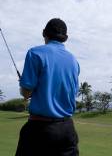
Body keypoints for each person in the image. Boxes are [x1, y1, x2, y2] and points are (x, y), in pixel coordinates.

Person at [15, 18, 80, 156]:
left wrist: (24, 85)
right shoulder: (74, 60)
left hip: (39, 129)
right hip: (67, 129)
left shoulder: (35, 53)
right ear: (66, 38)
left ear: (44, 33)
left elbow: (26, 93)